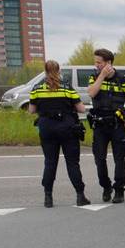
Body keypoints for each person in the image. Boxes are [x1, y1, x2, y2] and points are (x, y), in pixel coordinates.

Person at [29, 60, 90, 208]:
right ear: (59, 70)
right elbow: (81, 109)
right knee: (72, 163)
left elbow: (31, 110)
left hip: (47, 128)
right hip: (67, 128)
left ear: (45, 71)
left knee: (50, 162)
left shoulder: (37, 88)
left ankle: (48, 198)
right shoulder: (67, 87)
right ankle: (80, 195)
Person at [87, 48, 125, 203]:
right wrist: (101, 76)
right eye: (95, 62)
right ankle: (106, 187)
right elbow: (91, 93)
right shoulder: (94, 77)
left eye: (98, 62)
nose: (96, 65)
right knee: (99, 159)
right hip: (100, 125)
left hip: (117, 125)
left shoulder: (122, 79)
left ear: (108, 63)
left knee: (119, 159)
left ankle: (119, 190)